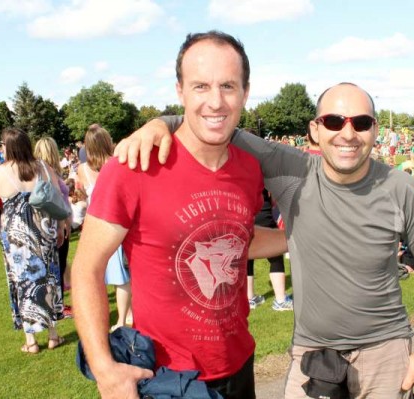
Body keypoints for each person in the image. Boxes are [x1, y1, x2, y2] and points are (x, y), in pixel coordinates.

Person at [119, 82, 414, 398]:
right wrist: (160, 123)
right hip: (312, 351)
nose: (348, 134)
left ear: (376, 130)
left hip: (385, 351)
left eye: (361, 122)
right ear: (315, 129)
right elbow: (220, 127)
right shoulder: (294, 170)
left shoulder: (401, 189)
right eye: (334, 121)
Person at [71, 31, 286, 399]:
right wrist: (105, 370)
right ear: (180, 91)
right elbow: (87, 267)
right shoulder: (133, 166)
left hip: (239, 366)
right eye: (201, 86)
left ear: (245, 93)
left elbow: (238, 241)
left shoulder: (249, 170)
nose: (215, 101)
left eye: (228, 87)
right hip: (171, 380)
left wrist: (298, 237)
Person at [0, 127, 66, 353]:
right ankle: (53, 336)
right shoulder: (44, 168)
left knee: (23, 282)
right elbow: (58, 200)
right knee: (48, 279)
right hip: (45, 230)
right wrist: (58, 229)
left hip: (16, 237)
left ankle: (31, 341)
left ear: (8, 147)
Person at [77, 124, 132, 331]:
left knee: (100, 273)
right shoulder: (118, 164)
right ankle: (124, 316)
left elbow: (84, 195)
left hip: (95, 227)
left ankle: (122, 317)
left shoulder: (82, 170)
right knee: (122, 275)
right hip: (117, 225)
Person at [34, 137, 74, 318]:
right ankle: (58, 306)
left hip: (61, 222)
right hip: (57, 223)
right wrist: (62, 223)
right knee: (57, 265)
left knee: (60, 265)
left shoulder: (48, 172)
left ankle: (58, 304)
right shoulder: (47, 173)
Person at [247, 189, 293, 311]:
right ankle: (280, 300)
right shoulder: (262, 174)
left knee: (248, 257)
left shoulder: (242, 175)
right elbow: (274, 198)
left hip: (247, 217)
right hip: (264, 216)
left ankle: (250, 299)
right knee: (276, 256)